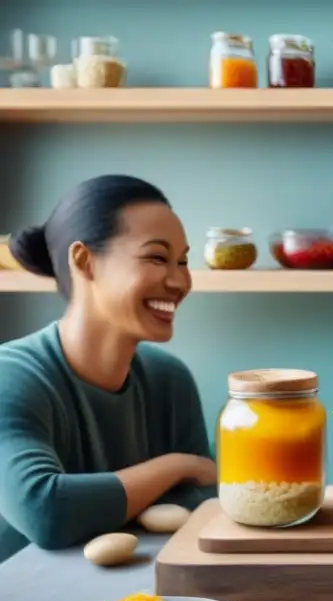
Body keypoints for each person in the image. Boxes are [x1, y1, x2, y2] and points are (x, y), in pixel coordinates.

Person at [0, 175, 217, 563]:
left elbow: (202, 498)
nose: (179, 281)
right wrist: (174, 466)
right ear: (85, 261)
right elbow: (45, 511)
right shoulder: (12, 376)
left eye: (182, 261)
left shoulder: (169, 379)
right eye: (156, 257)